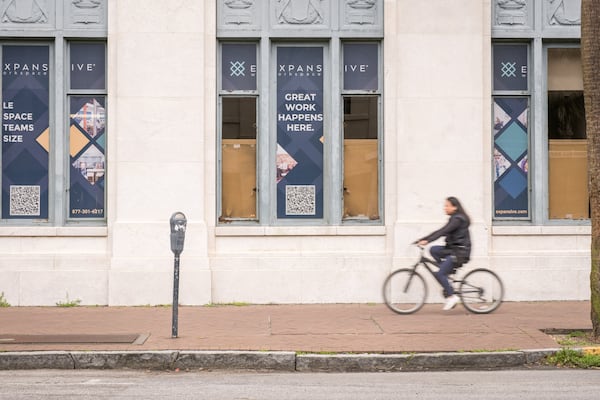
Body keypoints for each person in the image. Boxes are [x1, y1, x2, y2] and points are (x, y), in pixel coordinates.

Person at [417, 197, 471, 311]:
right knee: (433, 250)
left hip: (460, 252)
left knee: (440, 274)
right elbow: (441, 230)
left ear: (454, 207)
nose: (444, 208)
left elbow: (443, 231)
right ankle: (446, 271)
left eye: (447, 205)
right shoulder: (454, 218)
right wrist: (423, 239)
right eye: (445, 205)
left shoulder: (458, 219)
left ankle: (452, 296)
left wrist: (427, 240)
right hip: (453, 249)